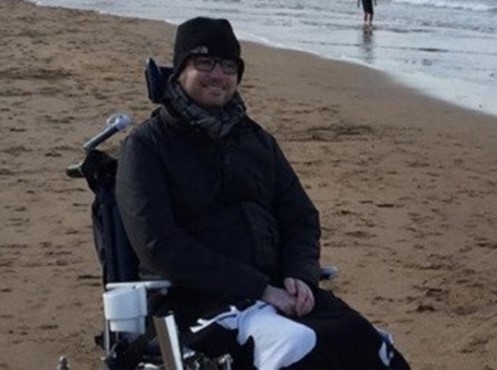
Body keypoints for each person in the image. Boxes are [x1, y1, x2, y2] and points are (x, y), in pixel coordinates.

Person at [116, 16, 409, 370]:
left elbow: (301, 216)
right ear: (179, 71)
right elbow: (159, 246)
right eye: (204, 63)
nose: (218, 75)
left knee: (371, 347)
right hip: (197, 301)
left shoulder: (256, 141)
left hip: (278, 290)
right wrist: (258, 288)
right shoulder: (148, 146)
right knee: (299, 347)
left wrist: (300, 275)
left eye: (228, 66)